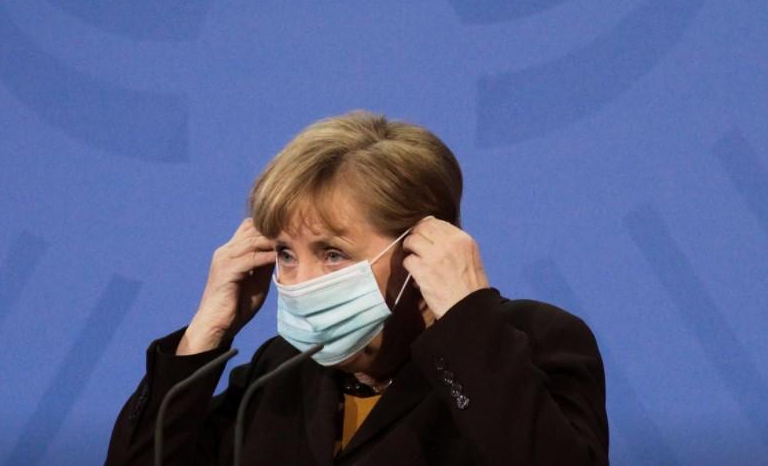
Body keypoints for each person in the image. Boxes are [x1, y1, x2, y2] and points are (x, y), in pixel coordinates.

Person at [105, 111, 608, 465]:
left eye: (332, 253)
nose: (299, 284)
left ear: (424, 245)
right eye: (285, 254)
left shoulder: (534, 343)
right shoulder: (277, 373)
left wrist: (468, 323)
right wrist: (204, 336)